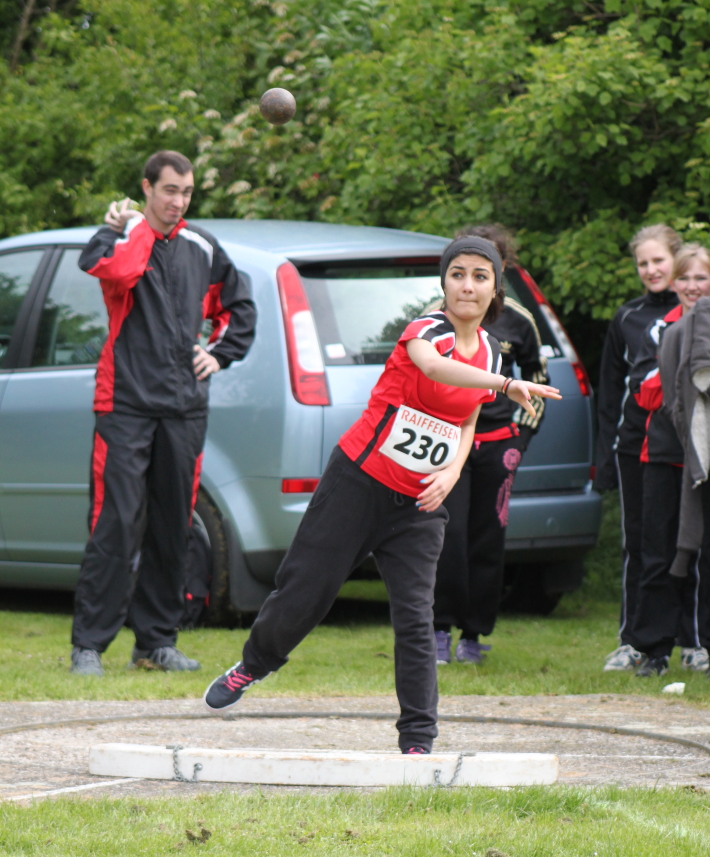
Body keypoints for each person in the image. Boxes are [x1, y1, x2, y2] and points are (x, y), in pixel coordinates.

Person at [203, 236, 561, 753]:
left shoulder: (488, 351)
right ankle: (254, 664)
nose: (467, 285)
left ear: (494, 289)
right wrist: (505, 385)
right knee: (306, 590)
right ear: (444, 283)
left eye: (480, 276)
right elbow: (435, 368)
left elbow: (466, 421)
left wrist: (451, 473)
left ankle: (418, 739)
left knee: (416, 617)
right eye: (457, 274)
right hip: (359, 483)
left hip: (419, 505)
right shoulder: (426, 330)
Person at [70, 150, 256, 676]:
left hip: (184, 408)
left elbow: (239, 308)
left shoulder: (203, 246)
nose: (179, 202)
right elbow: (115, 268)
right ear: (147, 188)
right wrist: (131, 226)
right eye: (170, 190)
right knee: (116, 523)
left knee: (174, 526)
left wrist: (219, 354)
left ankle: (155, 643)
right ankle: (89, 646)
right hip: (124, 404)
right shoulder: (120, 239)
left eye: (187, 192)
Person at [431, 224, 549, 665]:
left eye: (485, 268)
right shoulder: (433, 319)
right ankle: (437, 630)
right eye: (462, 268)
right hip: (447, 445)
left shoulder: (520, 320)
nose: (471, 282)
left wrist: (521, 438)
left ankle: (473, 634)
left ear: (500, 271)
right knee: (446, 536)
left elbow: (537, 381)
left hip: (499, 443)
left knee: (487, 539)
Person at [627, 244, 710, 676]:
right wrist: (685, 374)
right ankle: (654, 649)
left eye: (701, 278)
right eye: (685, 278)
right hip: (662, 453)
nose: (692, 287)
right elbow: (645, 394)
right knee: (658, 554)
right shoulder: (659, 329)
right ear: (673, 283)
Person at [595, 223, 681, 671]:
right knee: (640, 543)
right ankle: (632, 639)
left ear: (677, 259)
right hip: (633, 445)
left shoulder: (697, 310)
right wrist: (604, 457)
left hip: (683, 448)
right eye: (643, 263)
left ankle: (694, 640)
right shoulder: (626, 317)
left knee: (687, 543)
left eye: (658, 260)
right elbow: (610, 391)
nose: (651, 269)